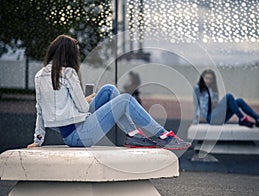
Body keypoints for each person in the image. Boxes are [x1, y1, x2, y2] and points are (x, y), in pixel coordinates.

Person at [27, 35, 191, 150]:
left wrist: (38, 140)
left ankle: (133, 135)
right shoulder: (69, 73)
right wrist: (86, 101)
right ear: (69, 54)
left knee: (109, 90)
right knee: (125, 100)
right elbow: (83, 109)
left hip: (71, 132)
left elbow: (40, 110)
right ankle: (163, 136)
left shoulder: (39, 75)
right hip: (80, 135)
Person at [193, 69, 259, 128]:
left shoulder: (213, 90)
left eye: (210, 79)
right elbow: (196, 105)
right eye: (206, 78)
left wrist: (216, 104)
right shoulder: (197, 88)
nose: (207, 80)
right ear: (202, 78)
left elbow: (215, 106)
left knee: (239, 101)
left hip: (218, 117)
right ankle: (242, 119)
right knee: (229, 96)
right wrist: (195, 121)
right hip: (210, 118)